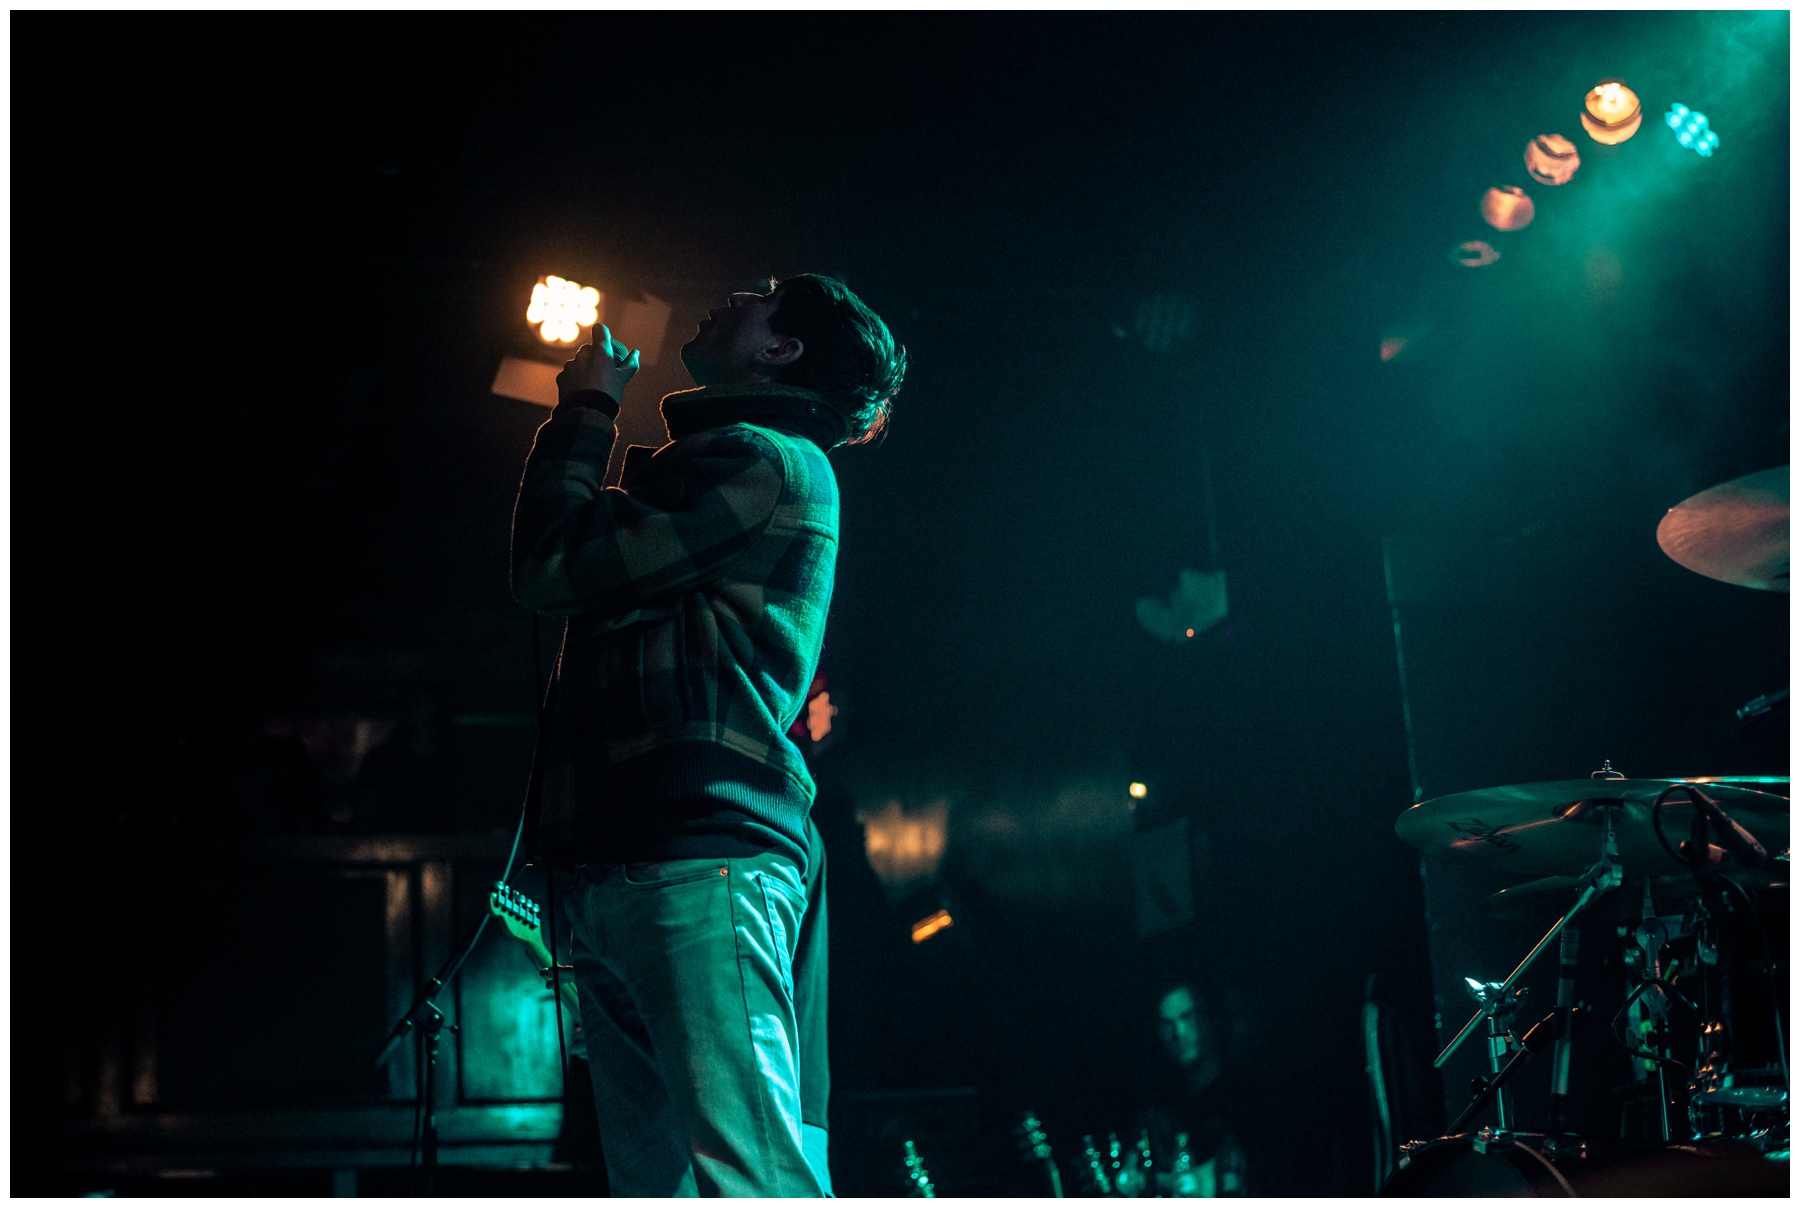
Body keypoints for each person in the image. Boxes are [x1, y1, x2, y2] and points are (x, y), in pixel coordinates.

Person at [510, 274, 905, 1196]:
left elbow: (552, 559)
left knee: (750, 1180)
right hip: (636, 859)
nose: (734, 293)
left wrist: (588, 409)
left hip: (695, 856)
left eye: (764, 298)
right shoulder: (720, 463)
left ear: (783, 351)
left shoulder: (762, 458)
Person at [1139, 982, 1254, 1196]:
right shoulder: (1160, 1110)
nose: (1179, 1032)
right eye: (1167, 1024)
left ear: (1208, 1019)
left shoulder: (1247, 1096)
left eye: (1187, 1017)